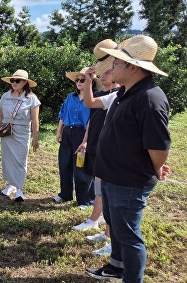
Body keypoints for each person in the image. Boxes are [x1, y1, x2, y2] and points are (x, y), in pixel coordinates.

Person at [86, 35, 171, 282]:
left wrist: (154, 168)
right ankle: (116, 267)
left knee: (129, 235)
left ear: (132, 67)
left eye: (116, 64)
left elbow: (159, 147)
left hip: (129, 181)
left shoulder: (150, 98)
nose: (111, 68)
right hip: (114, 177)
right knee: (117, 227)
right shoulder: (127, 93)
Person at [72, 39, 121, 259]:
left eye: (106, 72)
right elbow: (92, 114)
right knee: (101, 191)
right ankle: (107, 233)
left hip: (114, 155)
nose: (102, 75)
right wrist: (86, 139)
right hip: (100, 148)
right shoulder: (108, 96)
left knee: (110, 197)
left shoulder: (124, 96)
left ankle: (112, 240)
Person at [0, 69, 40, 202]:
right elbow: (1, 116)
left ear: (25, 82)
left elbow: (35, 120)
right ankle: (11, 184)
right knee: (7, 159)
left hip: (22, 132)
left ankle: (19, 188)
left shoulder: (31, 99)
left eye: (17, 81)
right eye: (12, 80)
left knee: (20, 160)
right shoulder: (5, 96)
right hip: (7, 131)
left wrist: (35, 138)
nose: (14, 83)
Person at [54, 67, 95, 208]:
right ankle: (65, 194)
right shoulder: (70, 97)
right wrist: (59, 131)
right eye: (77, 80)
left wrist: (86, 140)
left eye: (82, 80)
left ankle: (85, 200)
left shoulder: (94, 99)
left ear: (90, 82)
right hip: (68, 132)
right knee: (64, 163)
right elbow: (63, 114)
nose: (78, 82)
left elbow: (92, 120)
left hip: (82, 133)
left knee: (81, 166)